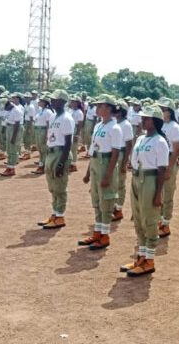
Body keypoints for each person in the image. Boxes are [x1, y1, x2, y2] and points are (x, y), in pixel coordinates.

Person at [120, 106, 168, 276]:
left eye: (146, 119)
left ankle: (149, 260)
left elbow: (162, 170)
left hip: (150, 179)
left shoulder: (160, 141)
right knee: (139, 218)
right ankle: (141, 256)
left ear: (155, 121)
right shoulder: (140, 139)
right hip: (136, 178)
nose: (142, 121)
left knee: (149, 220)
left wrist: (158, 194)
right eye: (142, 118)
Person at [79, 94, 122, 249]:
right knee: (96, 200)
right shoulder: (98, 126)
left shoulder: (115, 128)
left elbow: (116, 153)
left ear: (109, 108)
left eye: (100, 106)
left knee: (106, 201)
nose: (96, 108)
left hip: (106, 163)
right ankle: (97, 232)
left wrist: (108, 175)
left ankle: (105, 235)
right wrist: (88, 173)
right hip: (96, 162)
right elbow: (92, 151)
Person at [37, 90, 75, 229]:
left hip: (61, 153)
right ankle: (54, 213)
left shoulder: (67, 118)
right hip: (51, 152)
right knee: (52, 187)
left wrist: (61, 162)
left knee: (60, 186)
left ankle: (60, 216)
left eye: (55, 100)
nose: (52, 102)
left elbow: (68, 142)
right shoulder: (53, 117)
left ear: (63, 102)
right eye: (52, 100)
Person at [156, 97, 179, 238]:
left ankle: (165, 223)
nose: (161, 111)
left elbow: (177, 150)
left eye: (163, 109)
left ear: (170, 112)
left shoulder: (174, 127)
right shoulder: (159, 124)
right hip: (158, 160)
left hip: (169, 160)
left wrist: (169, 168)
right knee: (157, 192)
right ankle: (158, 220)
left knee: (167, 194)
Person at [112, 100, 134, 221]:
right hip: (112, 153)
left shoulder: (126, 124)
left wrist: (125, 162)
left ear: (123, 112)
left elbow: (129, 144)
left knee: (120, 182)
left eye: (118, 111)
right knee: (113, 181)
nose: (116, 113)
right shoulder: (114, 122)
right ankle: (113, 206)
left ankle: (118, 208)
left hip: (121, 153)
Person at [0, 94, 24, 177]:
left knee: (12, 149)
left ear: (9, 104)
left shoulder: (16, 110)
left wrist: (13, 137)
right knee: (9, 149)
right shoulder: (9, 109)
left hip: (14, 130)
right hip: (9, 128)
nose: (5, 109)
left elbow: (17, 125)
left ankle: (11, 168)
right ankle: (9, 167)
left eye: (5, 107)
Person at [32, 94, 54, 175]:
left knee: (44, 149)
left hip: (43, 130)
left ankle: (43, 166)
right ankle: (41, 164)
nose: (39, 102)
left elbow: (49, 124)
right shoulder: (40, 110)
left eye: (41, 101)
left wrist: (47, 135)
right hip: (38, 130)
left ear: (45, 102)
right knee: (40, 149)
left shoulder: (48, 112)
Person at [68, 96, 84, 172]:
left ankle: (73, 164)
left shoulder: (79, 112)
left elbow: (80, 124)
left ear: (77, 103)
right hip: (70, 128)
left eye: (74, 102)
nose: (72, 103)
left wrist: (77, 134)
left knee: (74, 148)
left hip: (75, 129)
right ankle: (71, 163)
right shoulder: (71, 111)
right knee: (70, 147)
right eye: (72, 102)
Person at [20, 92, 36, 161]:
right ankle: (27, 151)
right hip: (26, 122)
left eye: (27, 98)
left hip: (29, 123)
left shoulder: (31, 107)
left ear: (30, 98)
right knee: (25, 138)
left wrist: (29, 128)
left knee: (28, 138)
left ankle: (28, 153)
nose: (26, 99)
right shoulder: (26, 105)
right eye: (25, 98)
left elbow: (31, 118)